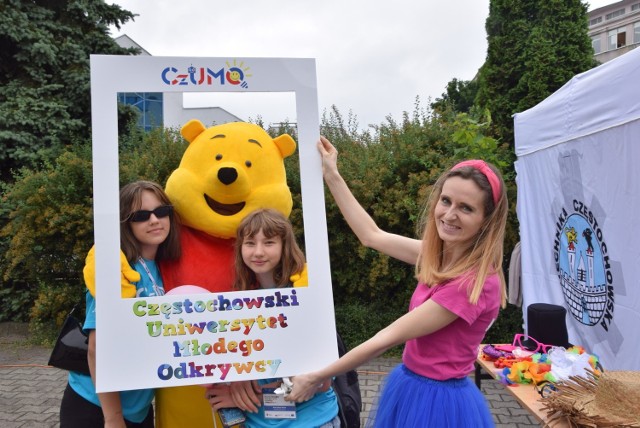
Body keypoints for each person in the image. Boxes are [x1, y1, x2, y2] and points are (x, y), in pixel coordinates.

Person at [286, 137, 508, 427]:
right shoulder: (438, 256)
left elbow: (386, 339)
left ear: (486, 220)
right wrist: (332, 174)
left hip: (438, 403)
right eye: (446, 200)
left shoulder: (473, 282)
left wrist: (320, 374)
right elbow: (371, 235)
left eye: (466, 208)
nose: (449, 214)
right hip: (410, 383)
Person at [59, 180, 181, 428]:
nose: (155, 220)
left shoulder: (161, 268)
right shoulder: (116, 268)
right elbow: (97, 347)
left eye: (162, 211)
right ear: (125, 222)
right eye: (142, 216)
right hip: (97, 408)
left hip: (139, 407)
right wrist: (113, 418)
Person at [205, 208, 341, 428]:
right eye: (250, 243)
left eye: (269, 242)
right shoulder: (240, 301)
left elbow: (320, 382)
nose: (258, 252)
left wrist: (248, 398)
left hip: (312, 423)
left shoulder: (306, 292)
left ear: (285, 246)